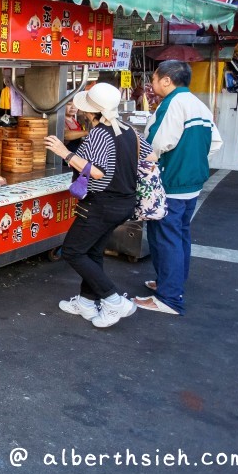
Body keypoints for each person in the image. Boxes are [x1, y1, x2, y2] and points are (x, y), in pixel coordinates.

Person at [43, 82, 152, 329]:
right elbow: (150, 156)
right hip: (124, 201)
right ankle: (86, 302)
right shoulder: (128, 129)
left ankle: (114, 300)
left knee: (72, 251)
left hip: (101, 204)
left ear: (90, 112)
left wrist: (65, 153)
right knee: (92, 252)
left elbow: (99, 173)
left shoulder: (100, 133)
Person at [137, 60, 223, 316]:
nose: (152, 84)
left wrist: (150, 159)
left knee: (166, 238)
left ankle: (169, 298)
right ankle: (171, 282)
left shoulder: (173, 104)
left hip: (171, 183)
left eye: (154, 79)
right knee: (180, 234)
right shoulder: (198, 105)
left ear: (167, 80)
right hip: (192, 183)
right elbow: (216, 142)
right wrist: (190, 161)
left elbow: (157, 144)